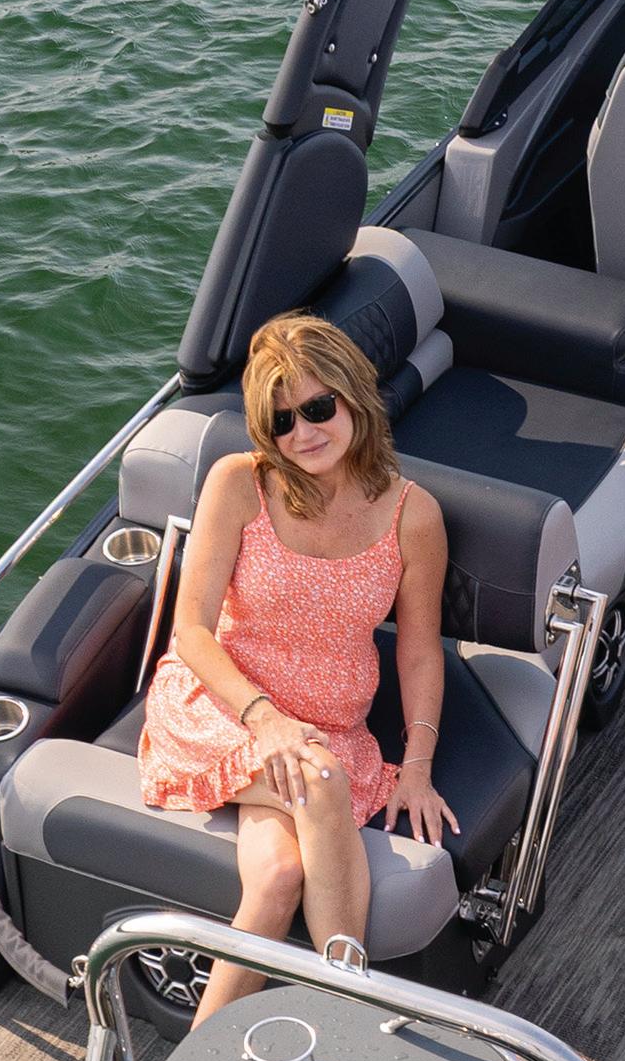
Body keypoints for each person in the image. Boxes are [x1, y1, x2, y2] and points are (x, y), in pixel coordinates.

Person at [138, 312, 458, 1013]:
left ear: (354, 398)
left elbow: (417, 650)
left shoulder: (413, 516)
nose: (302, 433)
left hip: (327, 728)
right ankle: (348, 1002)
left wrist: (418, 768)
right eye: (281, 421)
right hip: (222, 705)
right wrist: (265, 719)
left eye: (318, 408)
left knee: (279, 876)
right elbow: (190, 631)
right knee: (320, 779)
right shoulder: (238, 483)